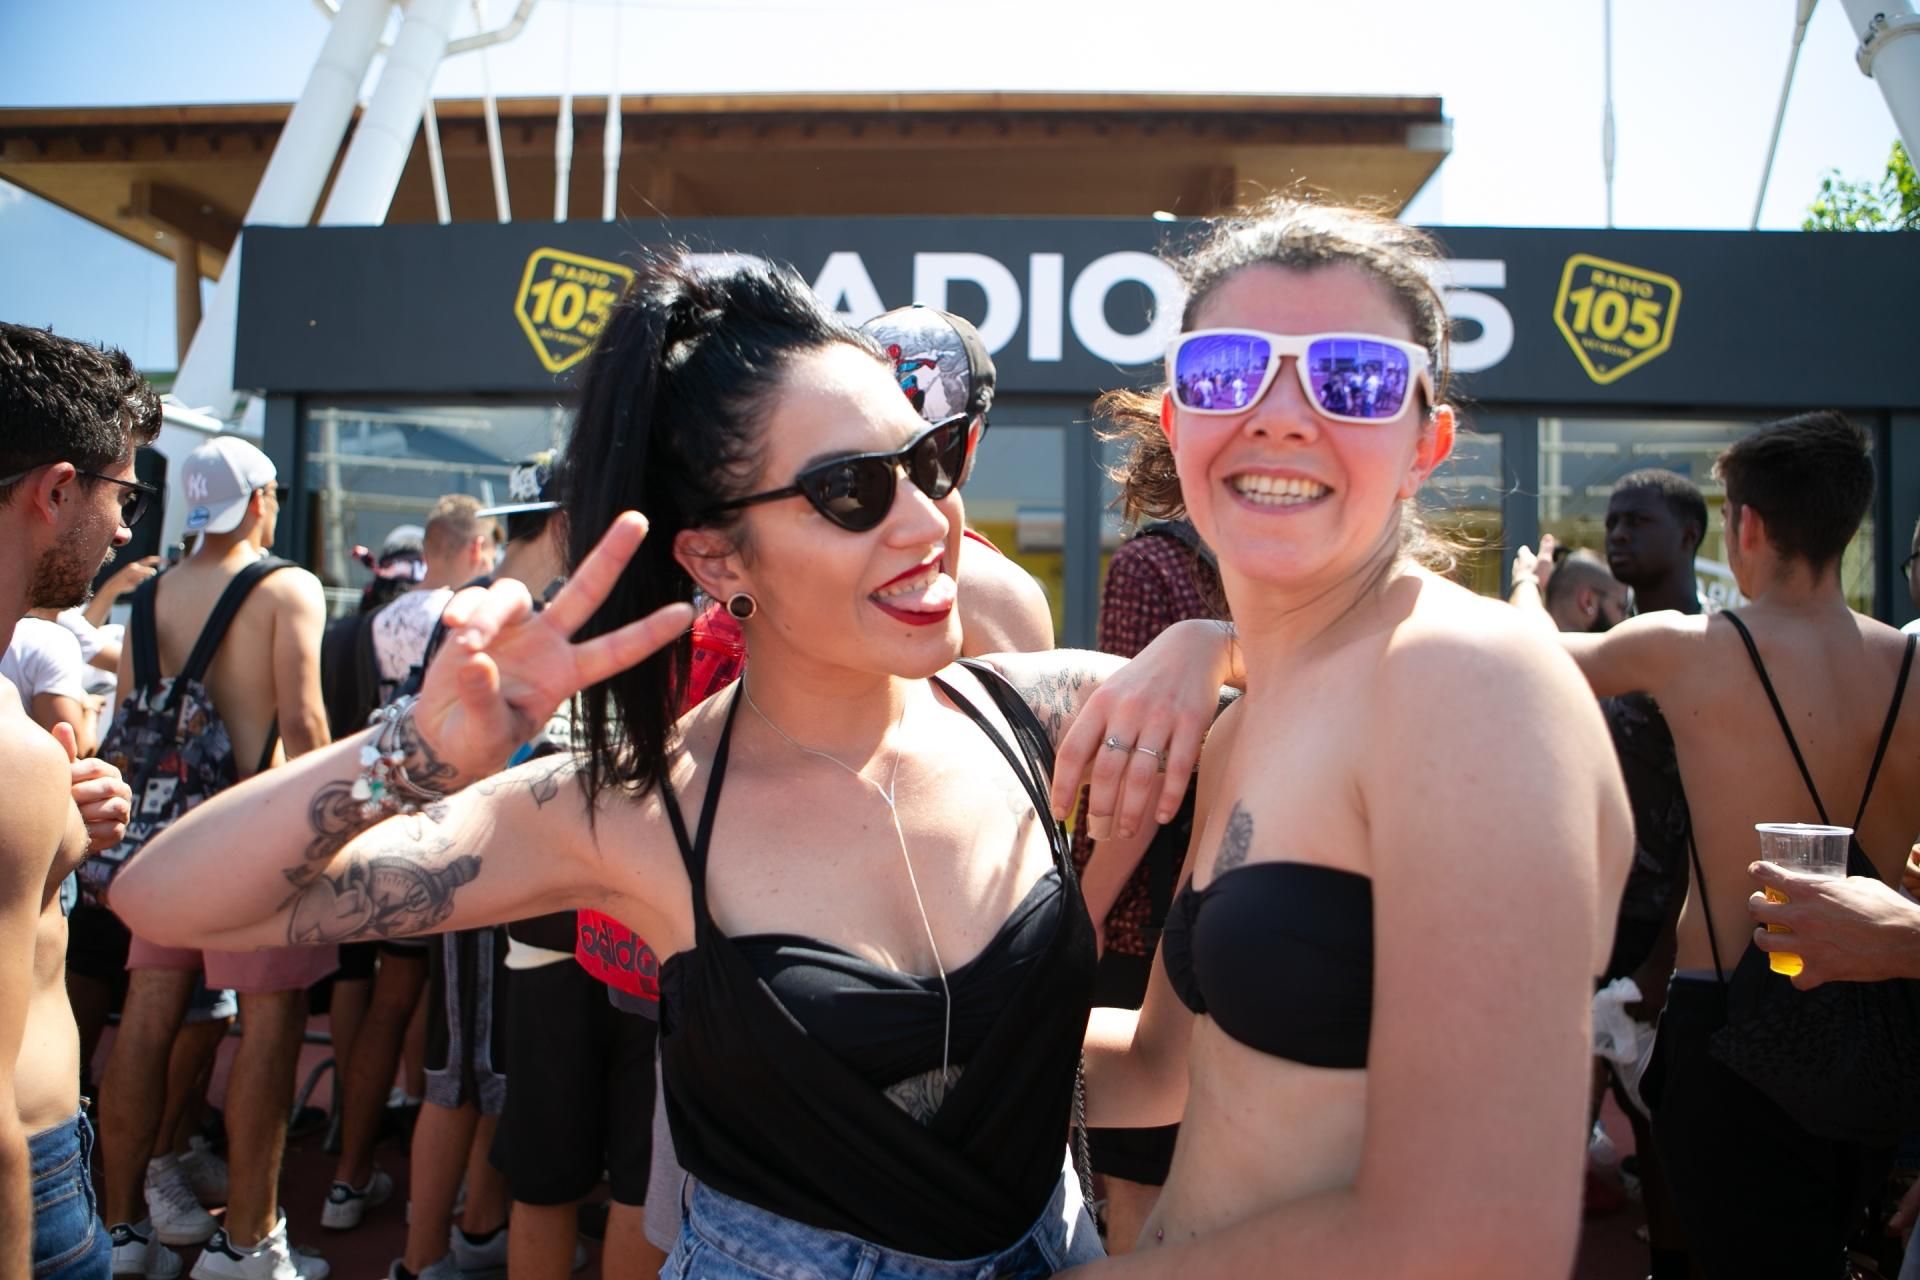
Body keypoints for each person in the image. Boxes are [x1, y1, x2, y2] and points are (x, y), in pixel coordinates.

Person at [108, 254, 1237, 1278]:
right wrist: (413, 751)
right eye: (852, 490)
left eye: (930, 462)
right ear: (715, 556)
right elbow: (168, 896)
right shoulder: (639, 806)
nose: (927, 523)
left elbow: (1141, 1062)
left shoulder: (1043, 713)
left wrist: (1217, 644)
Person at [1071, 197, 1632, 1277]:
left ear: (1427, 444)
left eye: (1354, 380)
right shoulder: (1247, 724)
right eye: (1229, 372)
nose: (1281, 417)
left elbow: (1480, 1237)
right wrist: (890, 1040)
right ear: (1177, 421)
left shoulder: (1470, 682)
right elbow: (1156, 1067)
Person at [1519, 410, 1920, 1278]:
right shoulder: (1911, 671)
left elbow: (1528, 660)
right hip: (1874, 1026)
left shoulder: (1691, 648)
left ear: (1747, 527)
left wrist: (1529, 582)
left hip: (1726, 1023)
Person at [96, 436, 335, 1280]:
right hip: (255, 839)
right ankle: (251, 1244)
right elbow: (304, 725)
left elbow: (132, 723)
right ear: (261, 501)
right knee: (269, 1024)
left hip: (165, 840)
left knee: (146, 1017)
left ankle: (122, 1231)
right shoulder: (286, 587)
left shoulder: (150, 594)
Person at [0, 323, 144, 1280]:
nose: (126, 529)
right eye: (122, 494)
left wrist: (56, 842)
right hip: (30, 1191)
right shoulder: (12, 751)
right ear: (56, 491)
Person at [1067, 406, 1227, 1253]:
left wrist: (1083, 909)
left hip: (1144, 913)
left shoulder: (1147, 566)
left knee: (1133, 1182)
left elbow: (1140, 763)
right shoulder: (1253, 577)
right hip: (1237, 894)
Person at [322, 498, 501, 1244]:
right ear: (476, 547)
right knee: (446, 1021)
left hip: (373, 825)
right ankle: (448, 1202)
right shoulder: (472, 617)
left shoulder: (374, 619)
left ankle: (349, 1170)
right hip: (444, 838)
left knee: (383, 1000)